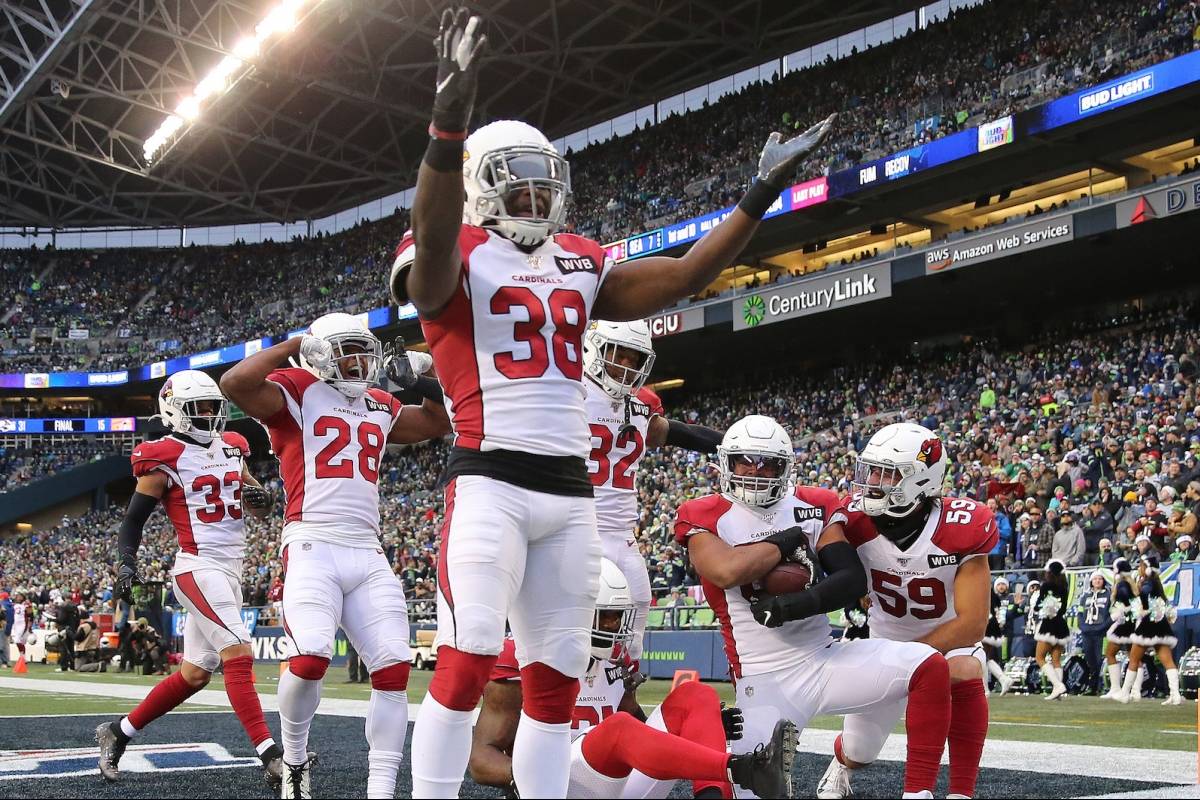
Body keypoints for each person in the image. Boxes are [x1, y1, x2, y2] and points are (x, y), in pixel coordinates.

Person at [395, 11, 834, 798]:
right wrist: (447, 123)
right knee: (464, 664)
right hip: (489, 482)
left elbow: (686, 277)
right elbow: (428, 269)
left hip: (570, 493)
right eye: (517, 179)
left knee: (555, 689)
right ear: (481, 185)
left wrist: (760, 193)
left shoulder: (581, 258)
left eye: (544, 178)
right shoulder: (450, 246)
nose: (536, 193)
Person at [219, 313, 450, 799]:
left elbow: (437, 420)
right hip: (312, 542)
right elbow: (236, 382)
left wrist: (426, 374)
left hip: (367, 548)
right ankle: (295, 761)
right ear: (322, 354)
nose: (360, 360)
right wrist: (295, 344)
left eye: (363, 350)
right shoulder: (298, 390)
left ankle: (381, 790)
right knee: (309, 659)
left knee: (392, 667)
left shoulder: (379, 403)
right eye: (346, 350)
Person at [675, 415, 951, 800]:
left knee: (928, 666)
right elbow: (725, 571)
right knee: (743, 791)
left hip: (823, 658)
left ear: (786, 467)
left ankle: (918, 795)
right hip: (762, 677)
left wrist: (792, 605)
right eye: (745, 462)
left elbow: (851, 579)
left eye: (768, 464)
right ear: (726, 464)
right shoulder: (703, 513)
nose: (756, 473)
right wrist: (788, 539)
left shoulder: (812, 504)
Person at [96, 370, 286, 788]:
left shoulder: (234, 445)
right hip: (197, 568)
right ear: (175, 412)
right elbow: (133, 520)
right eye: (199, 408)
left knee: (197, 672)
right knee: (238, 652)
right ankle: (271, 756)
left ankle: (118, 732)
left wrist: (263, 498)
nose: (209, 415)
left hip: (231, 570)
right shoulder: (162, 455)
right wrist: (125, 563)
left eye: (213, 407)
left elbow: (259, 506)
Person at [468, 559, 792, 799]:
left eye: (619, 617)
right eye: (608, 617)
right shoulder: (524, 654)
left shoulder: (616, 657)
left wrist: (699, 730)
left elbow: (636, 726)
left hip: (613, 779)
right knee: (617, 730)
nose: (616, 627)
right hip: (559, 785)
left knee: (696, 696)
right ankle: (742, 768)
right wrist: (532, 777)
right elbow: (481, 760)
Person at [819, 424, 994, 800]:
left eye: (887, 473)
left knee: (963, 668)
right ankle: (842, 760)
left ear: (921, 479)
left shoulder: (960, 526)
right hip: (886, 641)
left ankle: (960, 792)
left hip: (949, 638)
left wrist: (917, 656)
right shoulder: (855, 521)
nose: (874, 481)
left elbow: (973, 624)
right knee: (860, 751)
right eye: (872, 470)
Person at [581, 319, 721, 657]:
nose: (626, 366)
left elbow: (678, 433)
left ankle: (622, 691)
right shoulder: (570, 391)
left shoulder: (641, 405)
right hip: (578, 526)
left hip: (621, 532)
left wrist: (731, 443)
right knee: (588, 620)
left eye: (635, 358)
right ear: (596, 348)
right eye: (620, 354)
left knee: (639, 605)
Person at [1115, 552, 1183, 705]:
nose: (1139, 568)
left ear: (1147, 568)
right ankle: (1175, 695)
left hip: (1148, 625)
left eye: (1141, 566)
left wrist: (1144, 607)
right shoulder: (1156, 582)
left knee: (1133, 659)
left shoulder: (1147, 582)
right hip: (1160, 625)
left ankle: (1125, 693)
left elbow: (1144, 594)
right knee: (1167, 661)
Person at [1034, 560, 1071, 700]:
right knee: (1056, 659)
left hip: (1049, 625)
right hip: (1061, 625)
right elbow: (1063, 608)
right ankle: (1059, 691)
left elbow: (1038, 606)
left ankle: (1057, 685)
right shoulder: (1064, 586)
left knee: (1040, 657)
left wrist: (1037, 606)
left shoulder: (1046, 585)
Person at [1101, 558, 1137, 700]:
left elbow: (1125, 600)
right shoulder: (1130, 583)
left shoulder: (1122, 584)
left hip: (1123, 624)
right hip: (1131, 623)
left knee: (1109, 653)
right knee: (1133, 656)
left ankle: (1116, 688)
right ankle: (1135, 690)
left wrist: (1122, 610)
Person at [1076, 571, 1111, 695]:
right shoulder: (1085, 596)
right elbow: (1080, 614)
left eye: (1100, 579)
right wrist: (1082, 626)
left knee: (1099, 660)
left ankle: (1100, 686)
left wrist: (1102, 627)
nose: (1097, 581)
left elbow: (1111, 615)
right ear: (1091, 581)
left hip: (1101, 633)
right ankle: (1091, 686)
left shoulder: (1108, 595)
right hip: (1087, 632)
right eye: (1095, 579)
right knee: (1089, 660)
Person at [984, 577, 1014, 694]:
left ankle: (989, 686)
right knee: (984, 657)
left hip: (986, 625)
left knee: (981, 656)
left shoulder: (981, 592)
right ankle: (1002, 680)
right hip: (993, 627)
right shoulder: (994, 595)